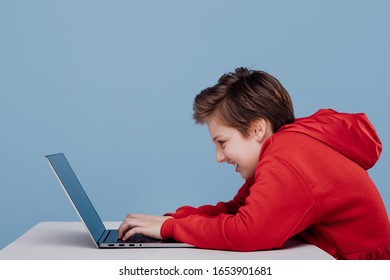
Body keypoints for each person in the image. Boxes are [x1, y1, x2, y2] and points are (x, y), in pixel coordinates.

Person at [118, 67, 390, 259]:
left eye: (222, 142)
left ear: (257, 129)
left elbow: (247, 231)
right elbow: (236, 210)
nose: (219, 157)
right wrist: (170, 221)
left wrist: (171, 229)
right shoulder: (286, 150)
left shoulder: (289, 158)